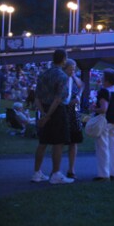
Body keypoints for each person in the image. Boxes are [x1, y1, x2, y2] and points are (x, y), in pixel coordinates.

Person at [32, 49, 73, 184]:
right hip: (56, 112)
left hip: (43, 109)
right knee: (58, 143)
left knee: (42, 142)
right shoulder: (62, 76)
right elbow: (58, 98)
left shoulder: (44, 74)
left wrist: (43, 114)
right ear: (64, 59)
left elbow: (37, 97)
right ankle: (56, 174)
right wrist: (49, 115)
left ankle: (37, 173)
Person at [94, 68, 114, 181]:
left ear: (107, 80)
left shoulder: (104, 91)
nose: (101, 79)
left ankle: (103, 174)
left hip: (105, 122)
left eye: (103, 77)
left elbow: (103, 109)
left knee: (103, 148)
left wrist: (94, 108)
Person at [63, 59, 84, 179]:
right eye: (71, 68)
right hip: (64, 113)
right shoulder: (62, 80)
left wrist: (79, 96)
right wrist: (71, 102)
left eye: (74, 69)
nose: (72, 71)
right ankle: (56, 170)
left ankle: (71, 169)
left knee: (74, 142)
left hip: (74, 114)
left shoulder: (74, 80)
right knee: (60, 143)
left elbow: (81, 86)